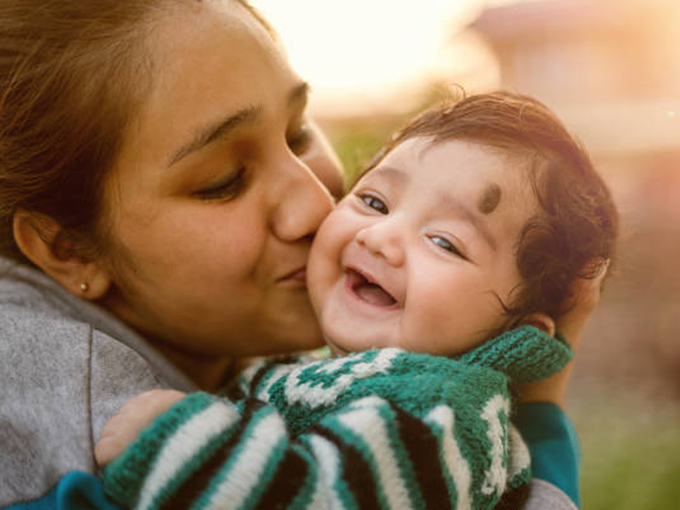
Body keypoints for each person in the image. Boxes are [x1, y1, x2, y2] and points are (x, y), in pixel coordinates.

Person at [0, 0, 601, 508]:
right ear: (68, 248)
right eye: (223, 180)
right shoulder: (59, 415)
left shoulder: (272, 344)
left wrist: (538, 403)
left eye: (298, 133)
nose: (318, 207)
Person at [93, 92, 618, 510]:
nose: (380, 237)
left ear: (519, 337)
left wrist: (175, 442)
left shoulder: (446, 415)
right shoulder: (331, 370)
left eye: (444, 242)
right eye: (374, 201)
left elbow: (319, 497)